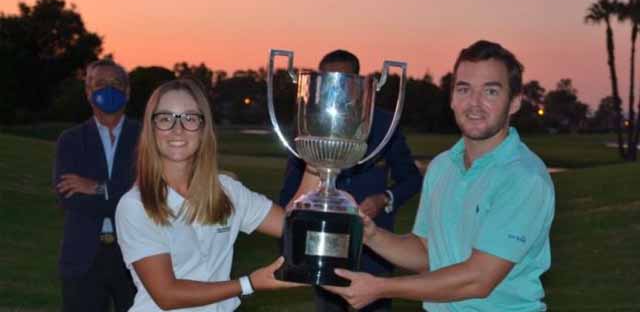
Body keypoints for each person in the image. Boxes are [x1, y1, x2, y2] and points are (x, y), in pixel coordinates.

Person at [323, 40, 556, 311]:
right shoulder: (442, 167)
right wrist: (371, 235)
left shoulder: (523, 178)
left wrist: (381, 287)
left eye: (491, 91)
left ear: (514, 102)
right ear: (453, 99)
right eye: (464, 89)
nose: (474, 104)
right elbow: (426, 253)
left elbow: (478, 280)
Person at [115, 78, 301, 312]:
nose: (177, 129)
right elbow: (167, 295)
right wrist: (248, 284)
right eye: (165, 119)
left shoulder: (227, 191)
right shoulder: (136, 205)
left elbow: (294, 226)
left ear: (204, 129)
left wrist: (315, 164)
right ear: (151, 130)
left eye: (190, 118)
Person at [279, 50, 423, 312]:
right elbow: (288, 194)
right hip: (324, 249)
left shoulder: (382, 122)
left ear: (358, 81)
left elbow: (411, 178)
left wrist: (385, 199)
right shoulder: (310, 123)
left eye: (344, 80)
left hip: (374, 251)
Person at [53, 59, 140, 312]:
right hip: (82, 258)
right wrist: (123, 193)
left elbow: (149, 194)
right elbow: (68, 198)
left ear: (128, 91)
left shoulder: (147, 138)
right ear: (88, 92)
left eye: (116, 84)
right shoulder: (70, 140)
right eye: (100, 84)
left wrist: (98, 188)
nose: (108, 90)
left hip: (139, 258)